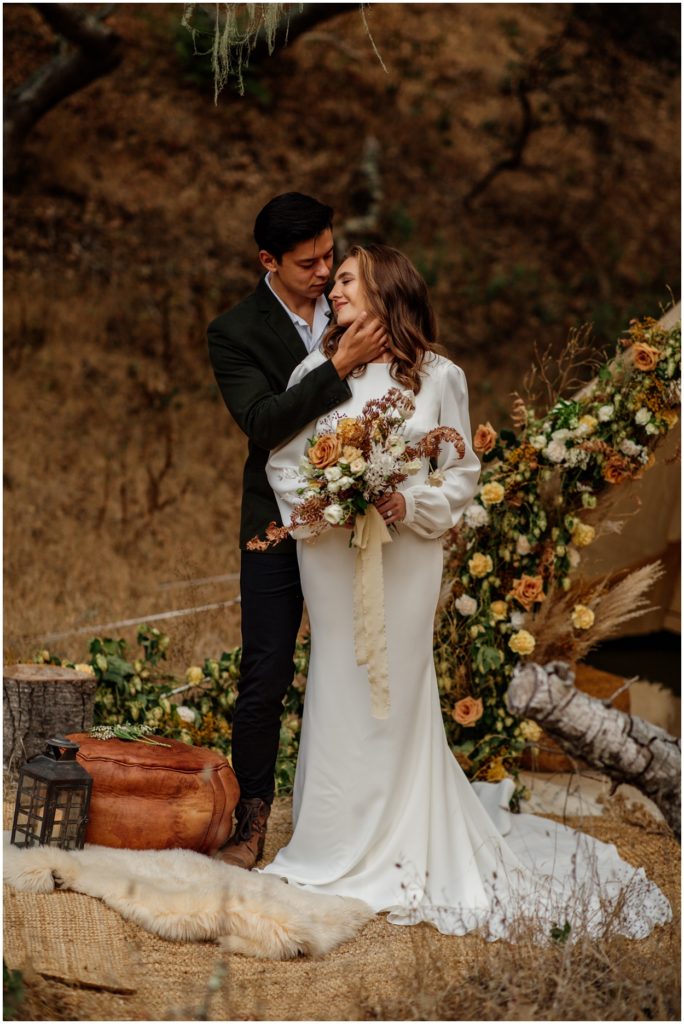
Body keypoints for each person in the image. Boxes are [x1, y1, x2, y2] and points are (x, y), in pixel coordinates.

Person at [260, 244, 671, 941]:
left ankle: (398, 836)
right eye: (334, 286)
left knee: (397, 682)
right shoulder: (314, 370)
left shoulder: (441, 378)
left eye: (349, 282)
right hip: (331, 556)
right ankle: (331, 840)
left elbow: (459, 476)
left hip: (408, 557)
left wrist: (405, 503)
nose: (334, 292)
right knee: (338, 673)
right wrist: (335, 500)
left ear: (387, 289)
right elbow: (285, 460)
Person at [208, 194, 388, 869]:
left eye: (329, 257)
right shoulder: (233, 331)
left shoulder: (356, 304)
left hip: (360, 513)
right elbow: (262, 422)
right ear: (268, 262)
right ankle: (251, 820)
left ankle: (358, 817)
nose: (324, 272)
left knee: (357, 662)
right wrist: (338, 366)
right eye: (308, 263)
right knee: (267, 669)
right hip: (277, 521)